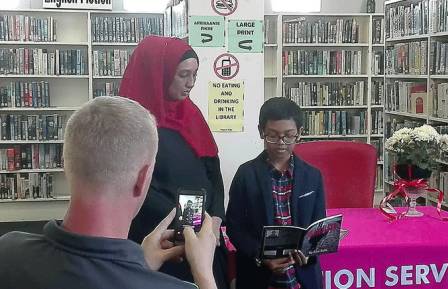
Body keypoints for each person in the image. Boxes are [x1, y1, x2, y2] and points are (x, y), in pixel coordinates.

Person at [0, 97, 218, 289]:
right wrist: (204, 274)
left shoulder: (7, 251)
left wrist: (139, 263)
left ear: (66, 166)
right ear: (142, 179)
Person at [119, 36, 228, 288]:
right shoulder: (130, 124)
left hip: (203, 238)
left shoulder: (191, 114)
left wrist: (216, 220)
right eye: (183, 75)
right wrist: (188, 224)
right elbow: (136, 188)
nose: (191, 83)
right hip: (160, 243)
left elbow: (214, 172)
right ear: (159, 74)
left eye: (195, 74)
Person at [226, 97, 326, 289]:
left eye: (289, 136)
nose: (281, 143)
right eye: (273, 135)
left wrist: (310, 253)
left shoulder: (313, 176)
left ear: (300, 133)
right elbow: (234, 227)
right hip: (258, 275)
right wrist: (260, 256)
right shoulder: (246, 174)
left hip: (302, 276)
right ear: (261, 131)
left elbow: (318, 225)